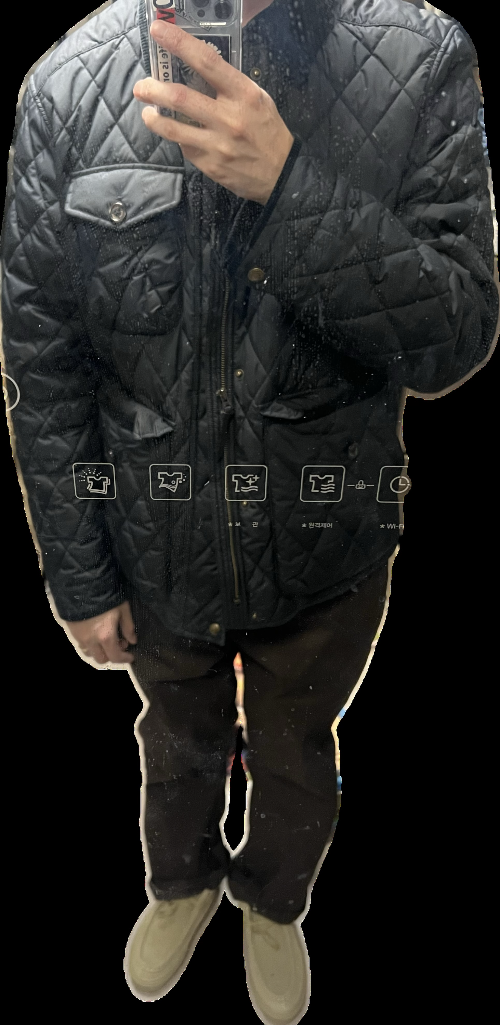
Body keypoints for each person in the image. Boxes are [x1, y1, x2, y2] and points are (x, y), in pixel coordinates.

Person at [1, 0, 498, 1018]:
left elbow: (454, 335)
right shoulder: (64, 84)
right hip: (154, 546)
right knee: (176, 740)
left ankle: (273, 898)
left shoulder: (417, 55)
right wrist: (79, 574)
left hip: (329, 545)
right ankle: (181, 882)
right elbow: (44, 363)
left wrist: (289, 187)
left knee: (297, 745)